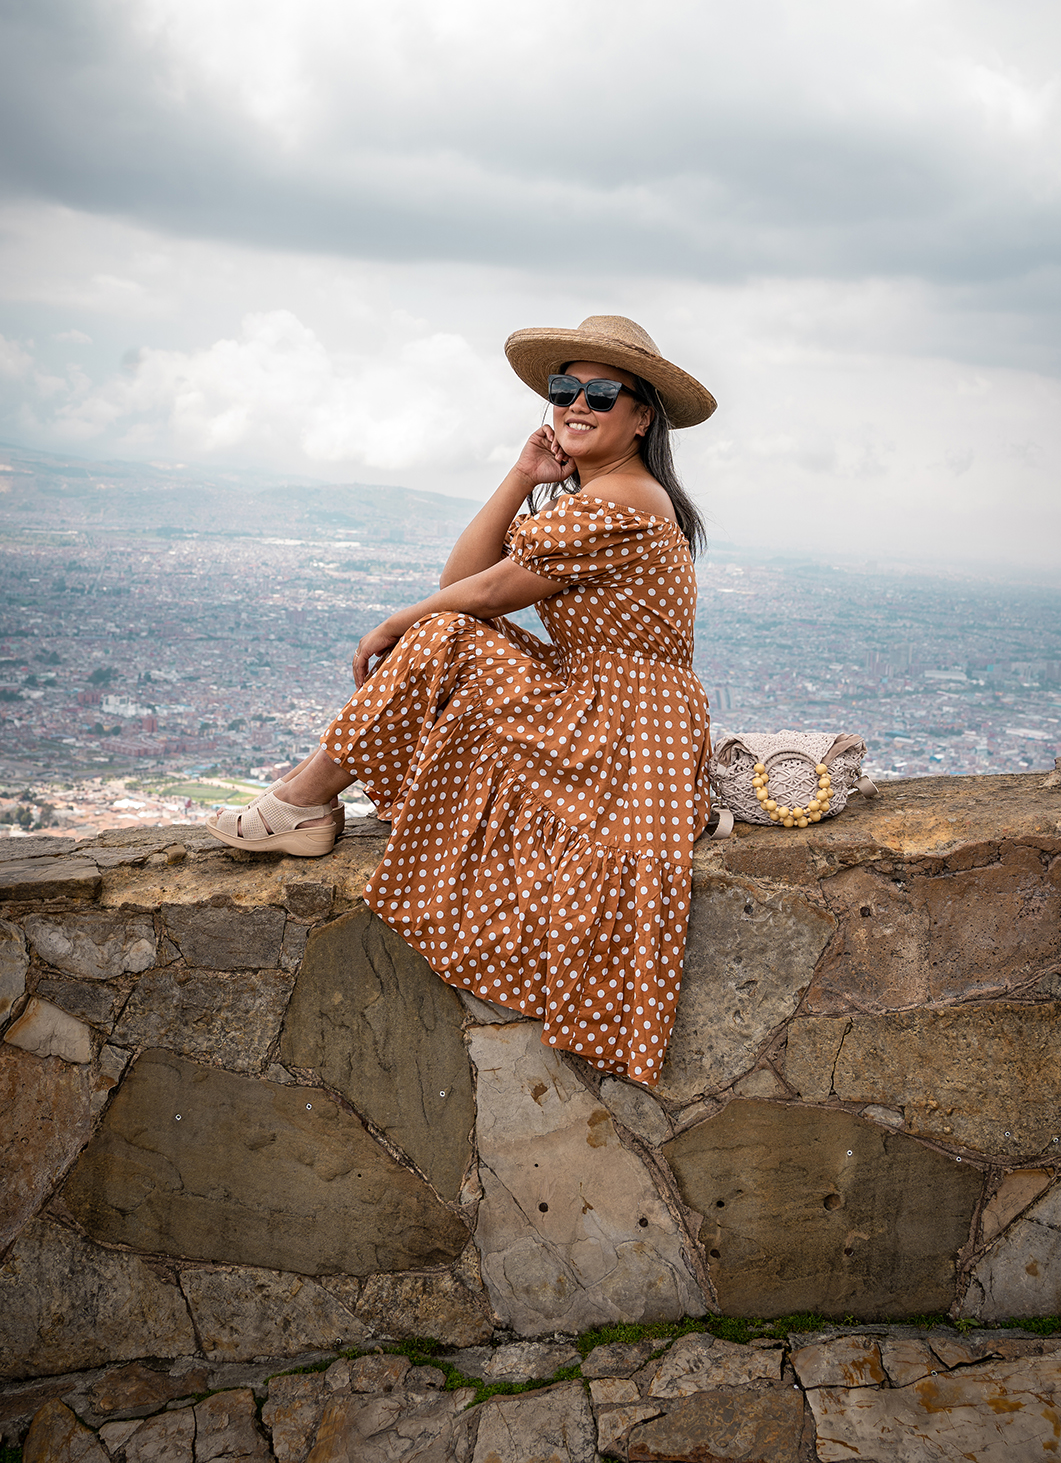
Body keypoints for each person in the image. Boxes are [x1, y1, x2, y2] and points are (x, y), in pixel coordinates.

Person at [207, 315, 717, 1084]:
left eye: (601, 393)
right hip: (605, 703)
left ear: (643, 417)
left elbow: (473, 595)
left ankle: (303, 803)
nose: (576, 405)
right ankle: (305, 806)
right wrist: (522, 475)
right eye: (564, 389)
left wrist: (391, 622)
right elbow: (462, 580)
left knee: (443, 636)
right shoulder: (595, 496)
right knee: (446, 631)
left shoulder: (626, 502)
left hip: (623, 726)